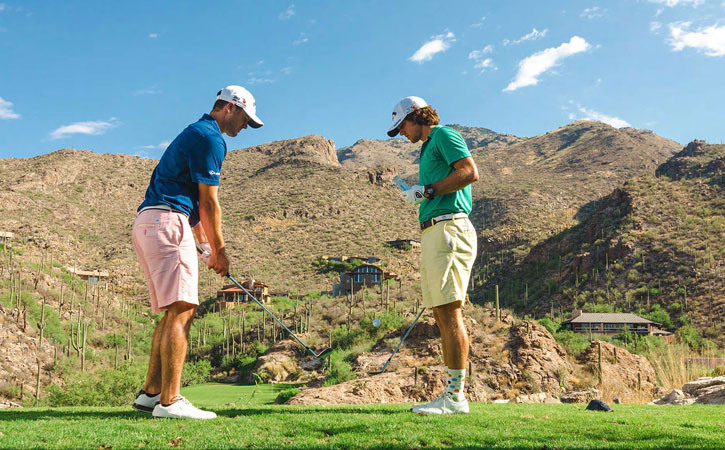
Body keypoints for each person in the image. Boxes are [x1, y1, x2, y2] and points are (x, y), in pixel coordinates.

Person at [130, 85, 263, 419]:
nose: (245, 127)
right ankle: (170, 401)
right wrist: (220, 249)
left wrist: (204, 248)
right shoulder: (211, 138)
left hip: (149, 222)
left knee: (173, 308)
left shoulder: (194, 132)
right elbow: (208, 202)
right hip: (168, 221)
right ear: (230, 108)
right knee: (184, 309)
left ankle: (151, 394)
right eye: (245, 118)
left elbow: (194, 206)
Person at [387, 96, 478, 414]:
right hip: (434, 231)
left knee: (450, 313)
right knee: (441, 313)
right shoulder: (428, 147)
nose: (401, 133)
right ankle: (452, 396)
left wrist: (426, 191)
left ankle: (455, 398)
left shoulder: (443, 135)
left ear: (416, 116)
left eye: (402, 126)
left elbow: (468, 172)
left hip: (449, 229)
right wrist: (421, 193)